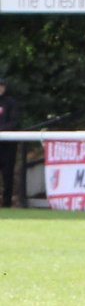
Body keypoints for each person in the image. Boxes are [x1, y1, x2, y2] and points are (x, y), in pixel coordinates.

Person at [0, 76, 19, 208]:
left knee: (7, 175)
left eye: (1, 86)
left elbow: (14, 122)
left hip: (8, 146)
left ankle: (6, 203)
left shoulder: (10, 102)